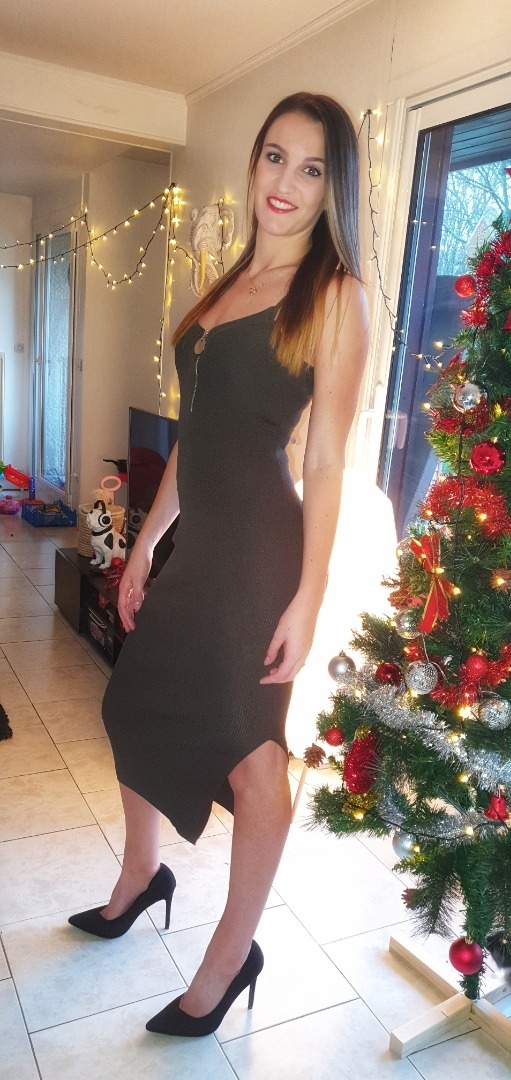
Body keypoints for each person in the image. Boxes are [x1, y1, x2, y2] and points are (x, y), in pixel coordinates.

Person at [68, 91, 369, 1037]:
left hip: (258, 556)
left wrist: (310, 595)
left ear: (331, 189)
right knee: (131, 705)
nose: (284, 182)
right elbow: (193, 439)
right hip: (199, 544)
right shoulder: (227, 280)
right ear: (254, 162)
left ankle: (231, 960)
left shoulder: (335, 295)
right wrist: (145, 544)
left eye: (310, 169)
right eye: (274, 156)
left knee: (253, 761)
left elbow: (326, 460)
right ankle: (142, 873)